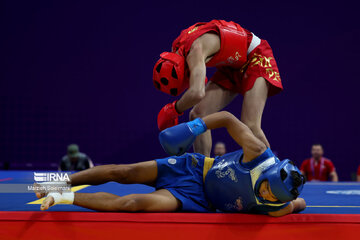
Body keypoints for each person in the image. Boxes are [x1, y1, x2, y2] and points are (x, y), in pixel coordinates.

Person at [36, 112, 305, 217]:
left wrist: (294, 204)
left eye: (272, 197)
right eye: (269, 187)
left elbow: (298, 204)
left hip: (196, 199)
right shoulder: (258, 153)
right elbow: (227, 118)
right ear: (269, 171)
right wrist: (192, 128)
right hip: (193, 168)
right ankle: (59, 181)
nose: (266, 194)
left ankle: (63, 196)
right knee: (124, 172)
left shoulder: (277, 205)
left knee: (132, 204)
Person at [153, 19, 283, 156]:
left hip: (256, 56)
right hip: (232, 65)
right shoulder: (179, 47)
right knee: (198, 114)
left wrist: (173, 109)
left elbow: (197, 92)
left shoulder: (195, 51)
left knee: (250, 125)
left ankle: (276, 170)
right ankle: (203, 169)